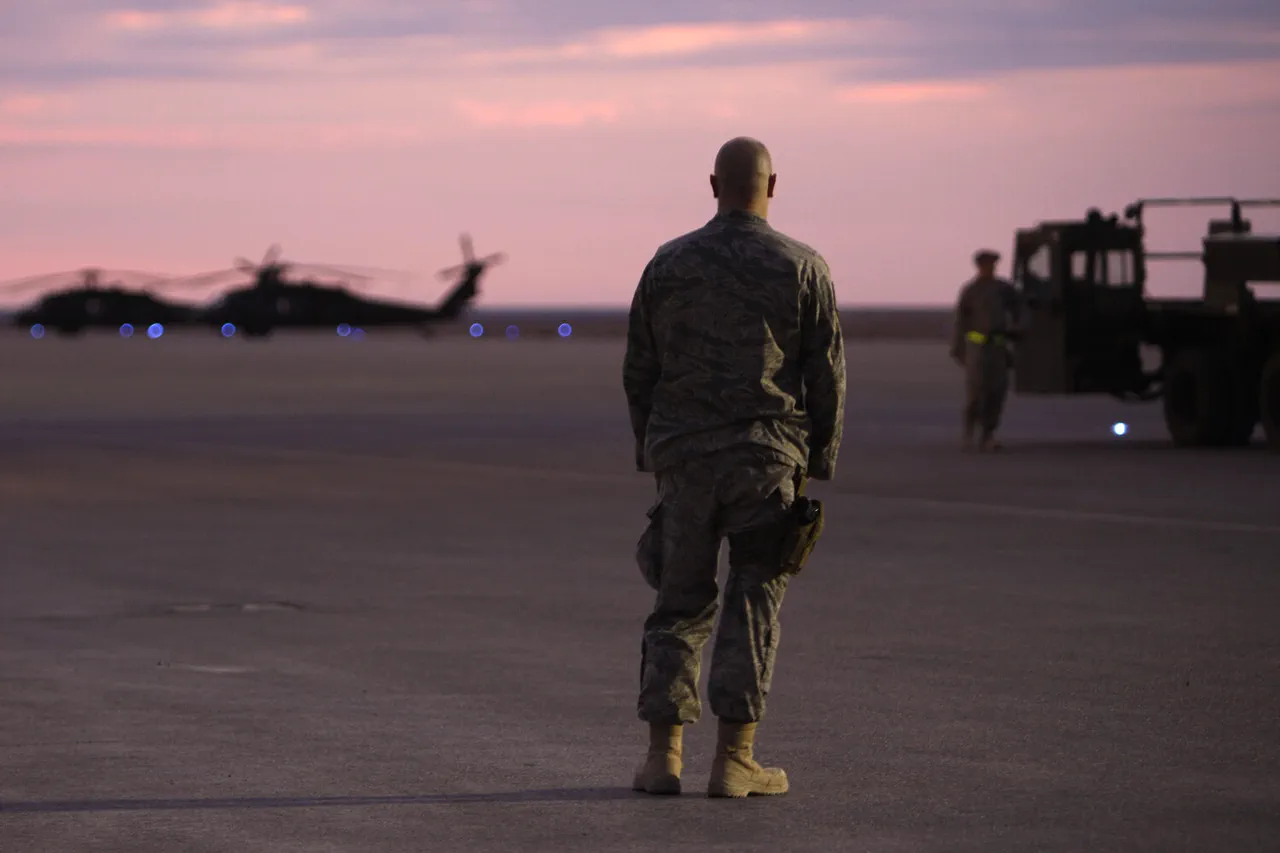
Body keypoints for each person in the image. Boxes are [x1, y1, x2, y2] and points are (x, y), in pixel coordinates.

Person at [622, 136, 846, 798]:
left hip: (685, 458)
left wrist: (653, 448)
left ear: (713, 184)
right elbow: (826, 372)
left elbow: (640, 367)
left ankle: (663, 757)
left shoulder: (668, 264)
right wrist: (819, 456)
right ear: (772, 187)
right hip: (766, 460)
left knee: (678, 601)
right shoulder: (802, 265)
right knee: (754, 601)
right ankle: (734, 759)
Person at [950, 249, 1023, 451]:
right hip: (977, 348)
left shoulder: (1003, 289)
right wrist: (958, 349)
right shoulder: (971, 291)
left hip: (997, 347)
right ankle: (968, 433)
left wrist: (1019, 328)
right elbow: (961, 321)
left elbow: (1020, 309)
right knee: (976, 392)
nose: (991, 268)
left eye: (993, 264)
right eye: (987, 264)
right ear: (979, 266)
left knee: (996, 391)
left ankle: (988, 435)